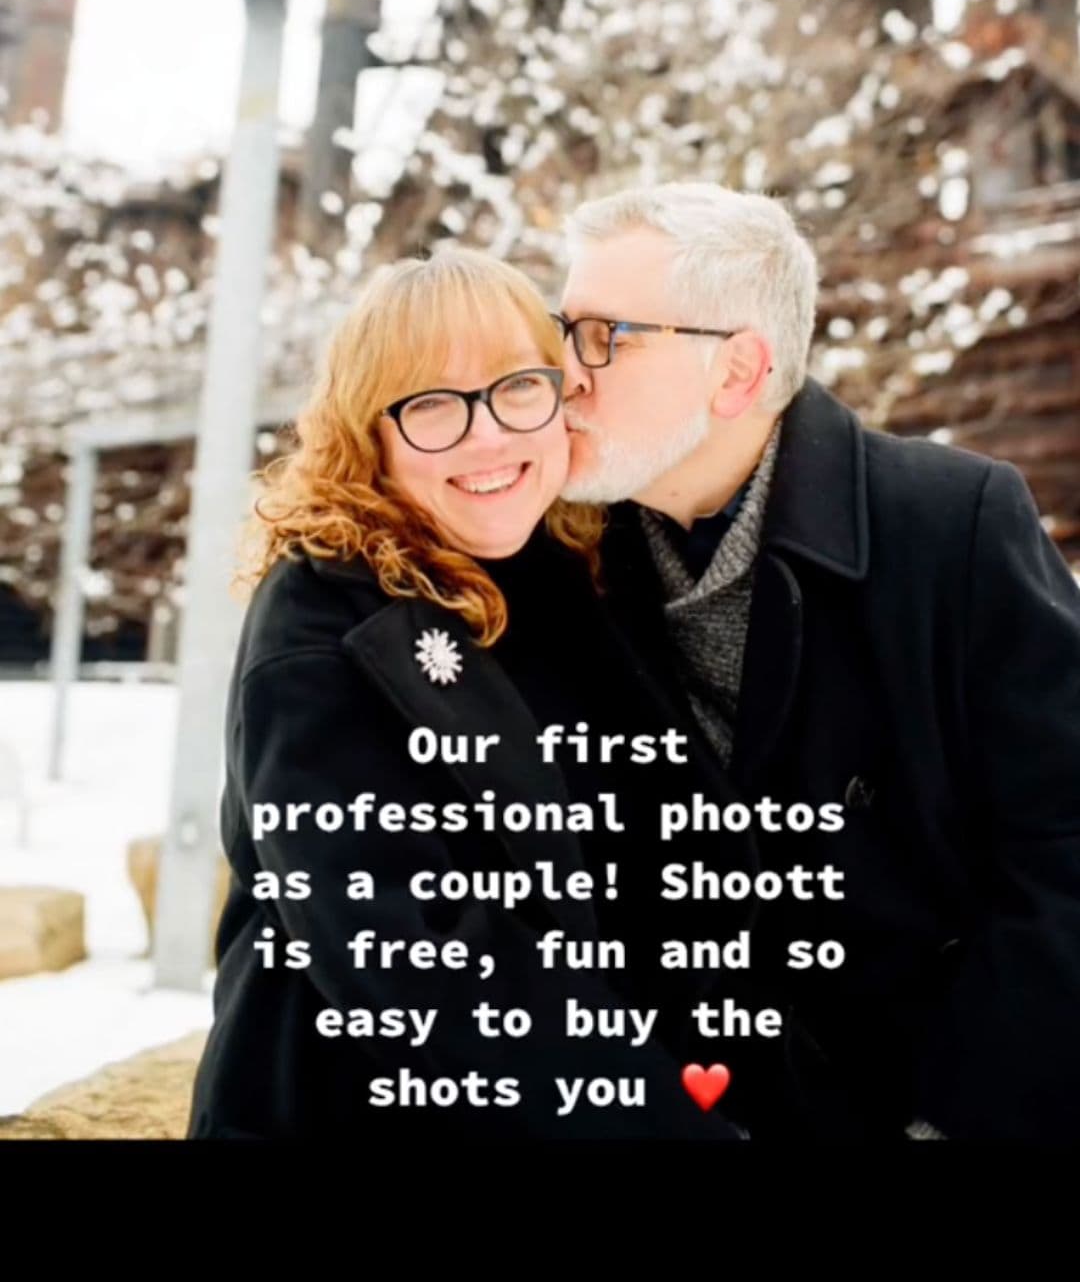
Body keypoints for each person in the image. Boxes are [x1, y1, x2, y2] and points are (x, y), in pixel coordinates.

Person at [186, 246, 757, 1142]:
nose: (485, 436)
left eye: (517, 388)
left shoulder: (571, 569)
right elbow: (414, 962)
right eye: (431, 407)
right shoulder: (322, 629)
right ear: (367, 434)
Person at [554, 178, 1080, 1145]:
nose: (565, 374)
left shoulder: (951, 525)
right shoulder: (566, 564)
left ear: (739, 372)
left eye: (605, 337)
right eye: (562, 331)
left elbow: (1063, 848)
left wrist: (957, 1118)